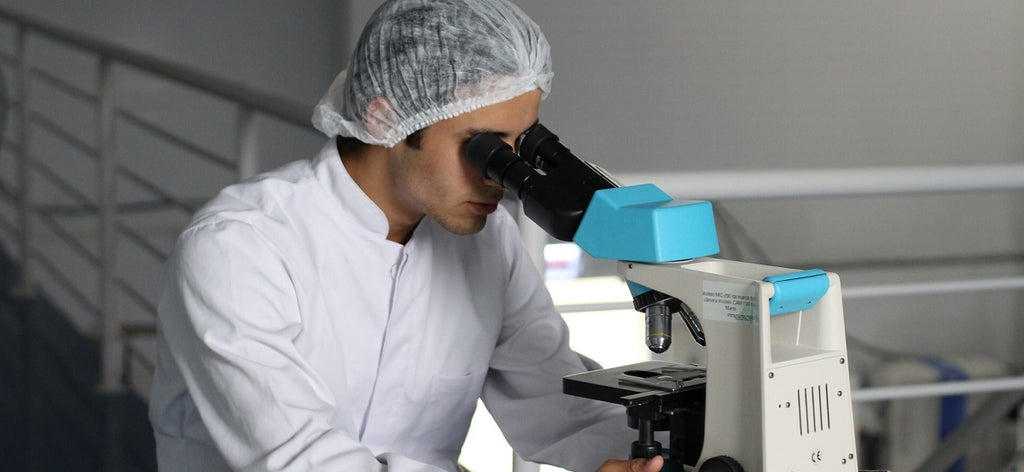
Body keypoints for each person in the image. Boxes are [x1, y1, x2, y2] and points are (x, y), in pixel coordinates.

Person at [149, 1, 663, 471]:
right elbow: (303, 460)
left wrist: (638, 457)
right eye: (482, 147)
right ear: (388, 116)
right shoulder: (241, 247)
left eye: (520, 144)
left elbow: (559, 406)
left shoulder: (489, 244)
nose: (499, 177)